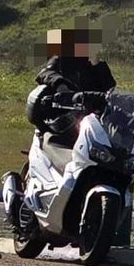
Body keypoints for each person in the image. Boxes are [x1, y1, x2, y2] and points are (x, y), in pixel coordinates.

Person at [27, 25, 116, 164]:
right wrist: (60, 84)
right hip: (65, 118)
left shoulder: (96, 66)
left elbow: (110, 87)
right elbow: (45, 73)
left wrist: (96, 64)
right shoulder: (63, 60)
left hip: (92, 120)